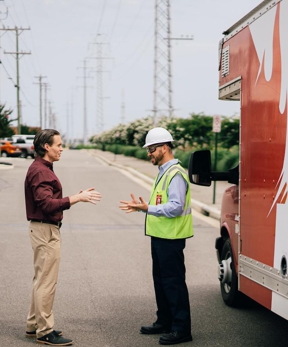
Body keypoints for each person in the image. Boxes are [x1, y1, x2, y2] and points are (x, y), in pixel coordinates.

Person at [24, 129, 102, 346]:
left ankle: (34, 325)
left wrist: (75, 197)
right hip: (45, 230)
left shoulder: (42, 168)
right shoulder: (41, 171)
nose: (61, 149)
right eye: (58, 145)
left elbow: (48, 200)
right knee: (47, 282)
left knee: (41, 280)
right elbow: (47, 205)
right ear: (46, 147)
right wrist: (77, 197)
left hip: (43, 229)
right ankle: (45, 332)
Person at [119, 127, 194, 345]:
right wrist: (145, 208)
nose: (149, 153)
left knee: (173, 283)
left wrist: (147, 208)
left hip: (171, 238)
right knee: (161, 281)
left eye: (152, 149)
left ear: (164, 148)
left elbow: (176, 207)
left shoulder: (175, 174)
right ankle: (165, 320)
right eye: (148, 150)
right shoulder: (164, 172)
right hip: (160, 237)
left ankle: (181, 329)